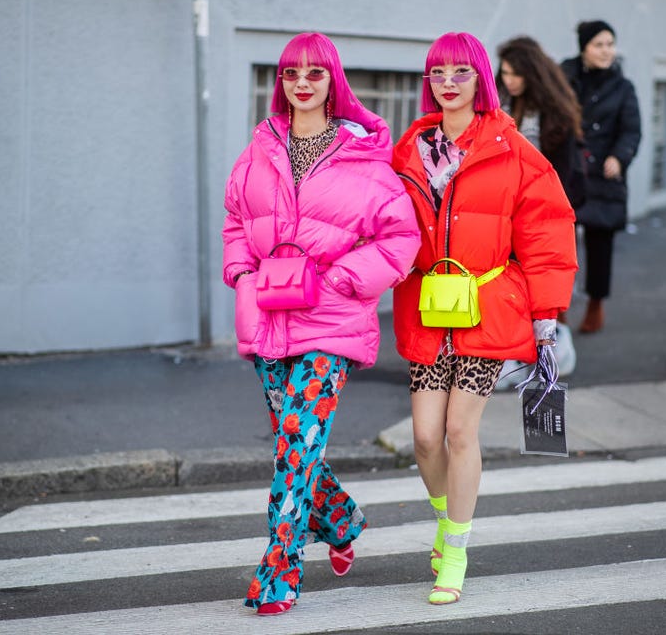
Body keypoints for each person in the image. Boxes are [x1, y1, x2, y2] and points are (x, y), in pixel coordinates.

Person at [221, 32, 419, 616]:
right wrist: (242, 275)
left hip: (331, 323)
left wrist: (340, 280)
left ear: (334, 81)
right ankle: (341, 517)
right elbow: (237, 218)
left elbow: (400, 238)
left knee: (297, 445)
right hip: (267, 319)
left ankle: (278, 571)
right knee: (295, 441)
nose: (301, 83)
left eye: (314, 73)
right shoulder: (259, 149)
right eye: (290, 74)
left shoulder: (363, 156)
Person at [392, 31, 576, 605]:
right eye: (438, 73)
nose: (448, 83)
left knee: (458, 430)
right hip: (428, 308)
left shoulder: (511, 146)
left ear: (480, 79)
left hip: (488, 306)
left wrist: (544, 315)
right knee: (424, 438)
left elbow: (547, 232)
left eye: (460, 72)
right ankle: (446, 520)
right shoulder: (407, 148)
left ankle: (455, 549)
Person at [495, 35, 585, 384]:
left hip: (544, 216)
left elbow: (565, 175)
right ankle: (515, 360)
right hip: (506, 214)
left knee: (545, 294)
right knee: (511, 291)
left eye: (516, 74)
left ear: (533, 74)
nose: (510, 80)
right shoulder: (500, 107)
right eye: (504, 73)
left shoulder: (555, 113)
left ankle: (550, 360)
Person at [560, 20, 641, 334]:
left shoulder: (623, 87)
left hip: (604, 173)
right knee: (562, 244)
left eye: (610, 44)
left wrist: (619, 157)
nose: (607, 51)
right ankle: (559, 304)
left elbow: (631, 129)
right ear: (584, 48)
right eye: (599, 45)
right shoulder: (564, 78)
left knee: (600, 241)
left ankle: (596, 303)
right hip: (570, 169)